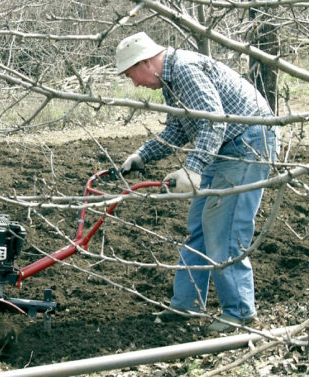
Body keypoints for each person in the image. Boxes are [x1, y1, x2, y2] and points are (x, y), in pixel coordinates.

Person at [115, 32, 276, 333]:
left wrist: (193, 170)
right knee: (199, 228)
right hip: (225, 147)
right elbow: (179, 128)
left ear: (146, 62)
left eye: (131, 74)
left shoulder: (185, 69)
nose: (134, 83)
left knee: (224, 230)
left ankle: (240, 313)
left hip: (249, 143)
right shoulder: (170, 81)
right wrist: (142, 155)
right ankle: (185, 306)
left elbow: (214, 120)